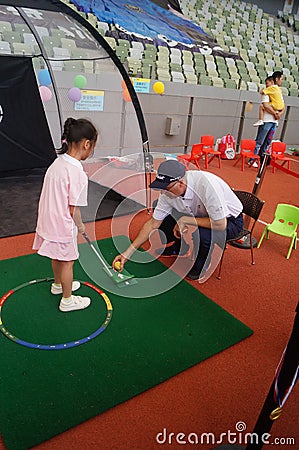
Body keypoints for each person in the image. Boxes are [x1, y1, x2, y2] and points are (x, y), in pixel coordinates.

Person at [112, 159, 244, 281]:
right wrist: (126, 254)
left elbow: (220, 224)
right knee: (164, 218)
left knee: (203, 234)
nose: (163, 193)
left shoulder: (207, 186)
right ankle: (180, 247)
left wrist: (185, 220)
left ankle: (201, 265)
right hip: (199, 213)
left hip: (230, 221)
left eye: (167, 189)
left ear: (181, 183)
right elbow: (153, 223)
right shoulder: (169, 191)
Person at [33, 117, 98, 312]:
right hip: (62, 223)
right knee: (68, 261)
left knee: (58, 256)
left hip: (48, 220)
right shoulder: (76, 172)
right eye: (92, 146)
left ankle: (58, 285)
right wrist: (80, 226)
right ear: (86, 144)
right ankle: (67, 300)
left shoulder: (58, 162)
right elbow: (74, 209)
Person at [250, 71, 285, 168]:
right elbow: (265, 106)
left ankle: (261, 159)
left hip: (274, 121)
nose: (282, 81)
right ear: (276, 79)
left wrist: (279, 114)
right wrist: (275, 113)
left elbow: (283, 105)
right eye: (281, 79)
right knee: (259, 141)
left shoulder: (278, 92)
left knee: (267, 142)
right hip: (266, 121)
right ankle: (252, 159)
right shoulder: (267, 92)